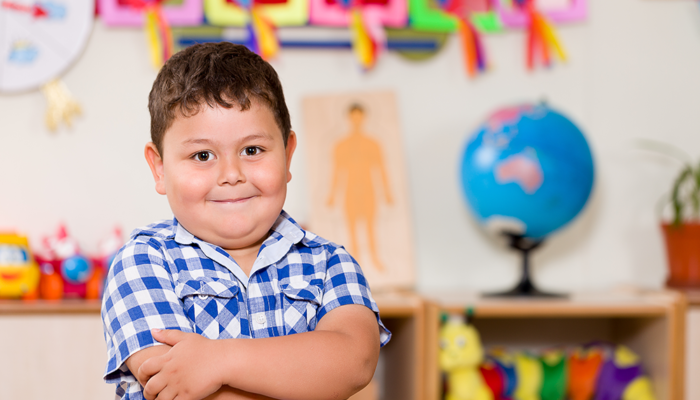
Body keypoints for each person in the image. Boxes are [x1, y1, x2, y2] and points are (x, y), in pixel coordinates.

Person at [101, 42, 391, 400]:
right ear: (159, 168)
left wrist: (217, 361)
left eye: (252, 150)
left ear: (287, 155)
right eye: (202, 155)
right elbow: (175, 388)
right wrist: (306, 378)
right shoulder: (142, 261)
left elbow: (355, 361)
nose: (231, 174)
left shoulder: (330, 262)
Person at [326, 104, 393, 272]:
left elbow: (380, 170)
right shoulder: (341, 145)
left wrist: (386, 193)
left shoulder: (372, 144)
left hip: (368, 189)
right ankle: (354, 263)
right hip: (350, 190)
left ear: (363, 118)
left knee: (370, 226)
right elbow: (337, 172)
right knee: (352, 228)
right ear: (349, 118)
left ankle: (374, 258)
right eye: (353, 117)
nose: (356, 120)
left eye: (359, 117)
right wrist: (332, 195)